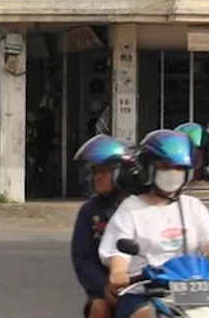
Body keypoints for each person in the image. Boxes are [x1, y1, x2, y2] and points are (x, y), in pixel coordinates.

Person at [99, 129, 209, 318]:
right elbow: (119, 251)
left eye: (179, 168)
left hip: (196, 291)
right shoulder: (130, 208)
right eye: (165, 166)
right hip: (145, 292)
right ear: (147, 167)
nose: (173, 173)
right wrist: (119, 272)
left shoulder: (192, 206)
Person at [71, 134, 131, 318]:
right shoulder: (89, 211)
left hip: (147, 283)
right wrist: (104, 286)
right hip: (106, 286)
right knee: (100, 309)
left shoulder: (144, 205)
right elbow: (83, 259)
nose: (97, 177)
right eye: (95, 171)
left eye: (104, 171)